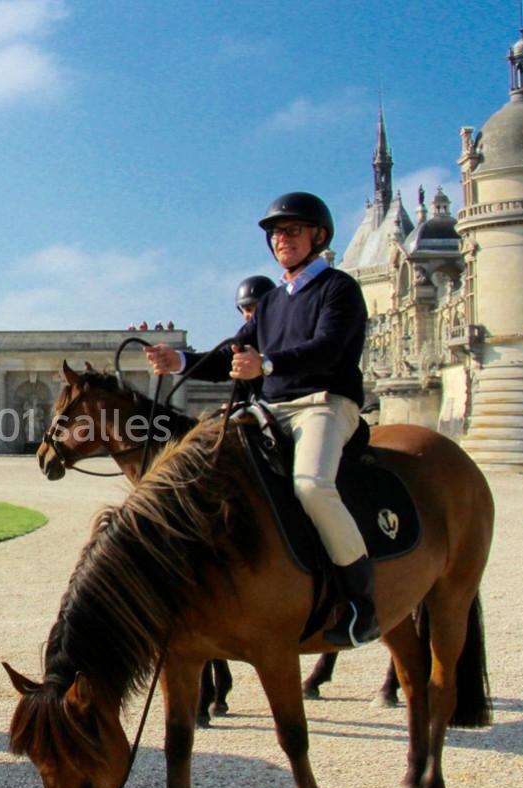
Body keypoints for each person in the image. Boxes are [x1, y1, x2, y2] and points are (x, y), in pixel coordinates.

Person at [144, 192, 379, 647]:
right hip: (270, 409)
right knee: (204, 463)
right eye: (275, 233)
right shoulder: (272, 303)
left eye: (292, 231)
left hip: (324, 404)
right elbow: (233, 354)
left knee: (311, 485)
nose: (281, 239)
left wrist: (266, 366)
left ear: (318, 236)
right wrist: (179, 360)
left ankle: (360, 603)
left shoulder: (339, 288)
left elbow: (328, 348)